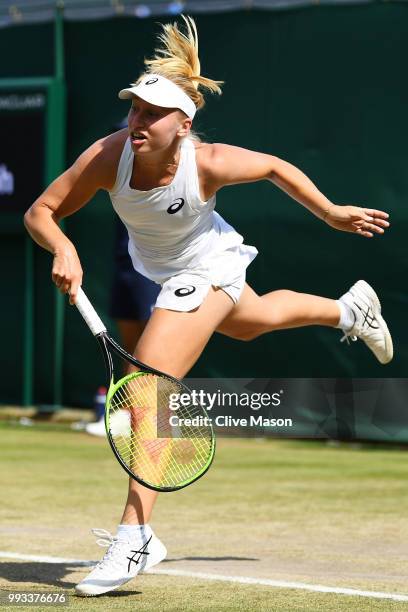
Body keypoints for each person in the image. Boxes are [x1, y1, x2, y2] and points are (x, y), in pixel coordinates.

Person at [24, 15, 392, 597]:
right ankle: (350, 312)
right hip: (166, 270)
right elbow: (40, 211)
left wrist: (329, 213)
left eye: (152, 114)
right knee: (257, 320)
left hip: (207, 266)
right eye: (134, 110)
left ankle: (136, 534)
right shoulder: (109, 154)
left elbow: (274, 166)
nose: (137, 121)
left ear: (183, 123)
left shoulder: (210, 161)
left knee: (146, 387)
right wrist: (64, 246)